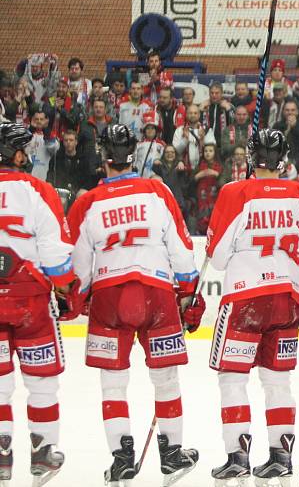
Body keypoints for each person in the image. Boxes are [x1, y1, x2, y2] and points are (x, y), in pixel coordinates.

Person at [67, 124, 203, 486]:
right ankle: (172, 455)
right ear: (132, 154)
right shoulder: (157, 190)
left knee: (113, 384)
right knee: (166, 379)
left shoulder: (87, 202)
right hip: (157, 294)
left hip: (109, 297)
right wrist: (189, 290)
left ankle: (122, 458)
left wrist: (76, 299)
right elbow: (181, 247)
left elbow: (76, 267)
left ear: (103, 155)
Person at [207, 129, 299, 487]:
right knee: (277, 380)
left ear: (252, 158)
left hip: (245, 297)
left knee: (233, 378)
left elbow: (218, 258)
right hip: (287, 297)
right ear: (283, 159)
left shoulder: (235, 191)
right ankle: (281, 457)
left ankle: (237, 456)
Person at [0, 122, 75, 487]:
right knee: (42, 382)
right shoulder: (37, 190)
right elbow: (58, 254)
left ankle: (1, 454)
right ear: (15, 154)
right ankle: (43, 453)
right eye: (25, 150)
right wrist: (64, 290)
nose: (29, 156)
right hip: (30, 302)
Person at [47, 128, 94, 201]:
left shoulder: (84, 159)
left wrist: (83, 189)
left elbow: (89, 179)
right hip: (59, 194)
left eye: (71, 140)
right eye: (66, 140)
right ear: (63, 142)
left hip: (78, 195)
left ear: (76, 142)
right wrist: (49, 186)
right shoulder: (56, 158)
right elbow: (50, 175)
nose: (68, 142)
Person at [173, 104, 215, 170]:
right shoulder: (179, 130)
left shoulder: (207, 130)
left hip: (203, 168)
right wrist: (185, 139)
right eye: (190, 113)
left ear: (199, 115)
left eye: (195, 113)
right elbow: (175, 151)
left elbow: (212, 150)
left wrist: (203, 139)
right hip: (184, 168)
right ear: (186, 115)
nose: (193, 115)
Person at [192, 143, 222, 235]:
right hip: (201, 200)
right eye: (206, 151)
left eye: (210, 151)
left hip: (216, 199)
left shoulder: (220, 166)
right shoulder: (199, 166)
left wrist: (216, 174)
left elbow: (224, 183)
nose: (208, 153)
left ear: (214, 153)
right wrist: (197, 176)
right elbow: (189, 184)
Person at [133, 111, 167, 178]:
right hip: (140, 177)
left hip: (156, 177)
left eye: (152, 128)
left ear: (156, 130)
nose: (150, 130)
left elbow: (165, 161)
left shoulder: (161, 144)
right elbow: (134, 161)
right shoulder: (139, 145)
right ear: (144, 131)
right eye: (148, 128)